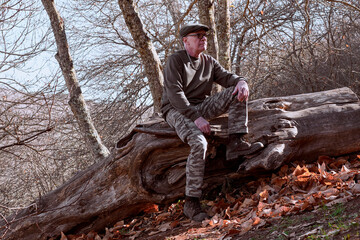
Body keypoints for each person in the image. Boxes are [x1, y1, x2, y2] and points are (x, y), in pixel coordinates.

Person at [161, 23, 264, 221]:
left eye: (205, 35)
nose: (203, 38)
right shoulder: (175, 60)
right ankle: (191, 203)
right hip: (176, 110)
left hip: (201, 107)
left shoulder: (209, 61)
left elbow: (227, 78)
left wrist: (242, 81)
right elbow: (175, 95)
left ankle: (236, 142)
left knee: (236, 92)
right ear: (186, 40)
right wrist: (196, 118)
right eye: (198, 35)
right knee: (200, 143)